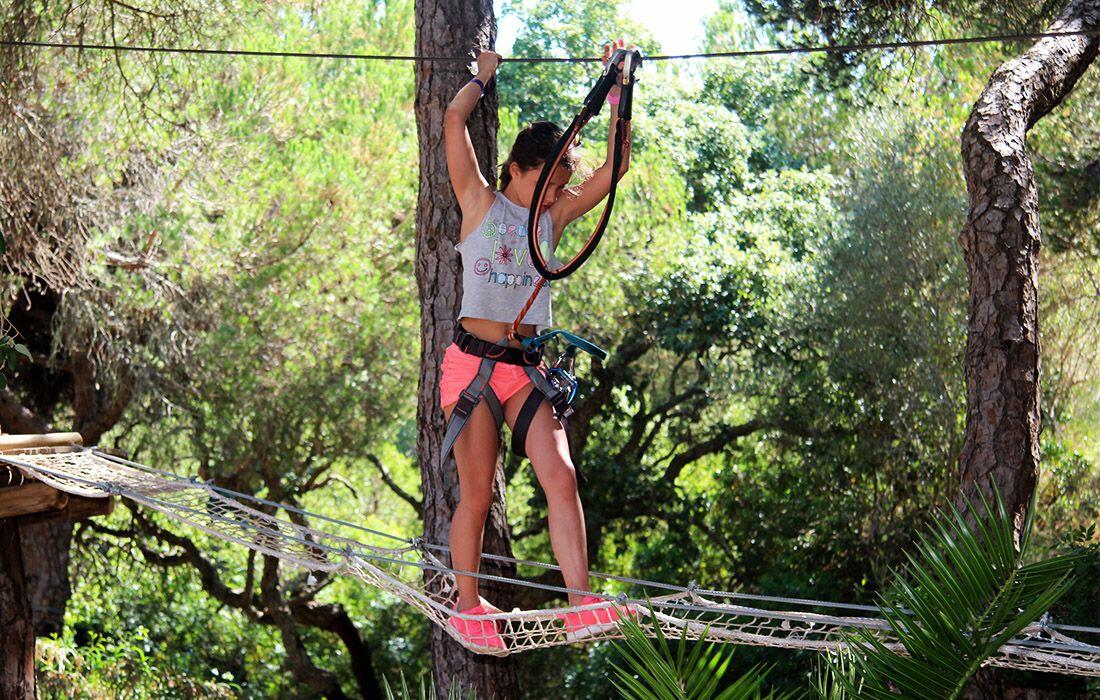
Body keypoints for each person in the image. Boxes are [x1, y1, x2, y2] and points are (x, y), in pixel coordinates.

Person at [440, 40, 634, 651]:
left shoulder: (552, 220)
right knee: (476, 493)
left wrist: (622, 86)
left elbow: (615, 169)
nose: (555, 195)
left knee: (562, 476)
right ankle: (467, 609)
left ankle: (580, 606)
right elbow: (452, 121)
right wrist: (483, 80)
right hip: (472, 369)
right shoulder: (479, 201)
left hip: (525, 369)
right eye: (549, 182)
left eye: (562, 186)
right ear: (519, 168)